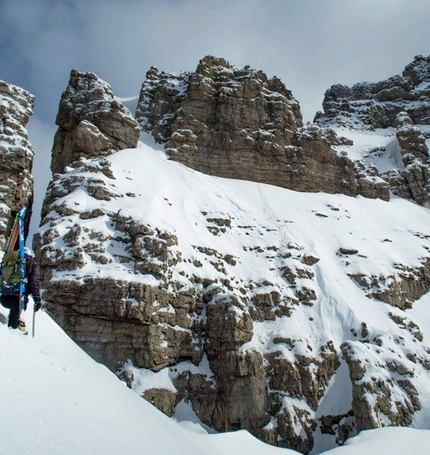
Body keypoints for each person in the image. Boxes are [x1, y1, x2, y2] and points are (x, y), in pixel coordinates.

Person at [0, 247, 42, 331]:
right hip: (19, 299)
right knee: (18, 310)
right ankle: (14, 330)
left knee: (16, 308)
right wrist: (37, 299)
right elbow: (34, 283)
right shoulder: (32, 265)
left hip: (4, 297)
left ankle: (13, 325)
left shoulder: (9, 262)